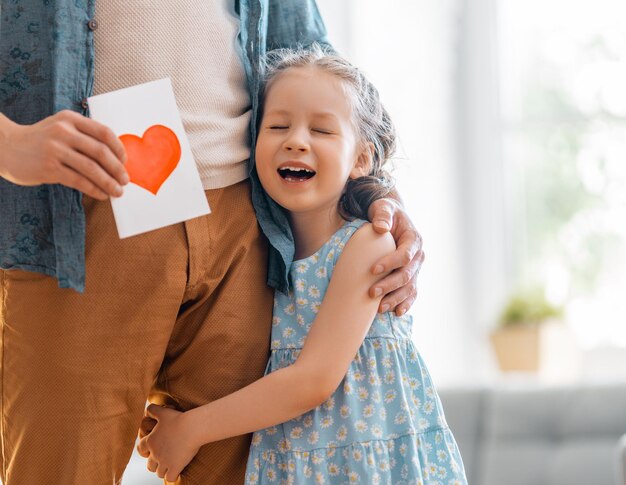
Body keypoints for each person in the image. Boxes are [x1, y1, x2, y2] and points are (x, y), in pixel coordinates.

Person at [0, 2, 424, 484]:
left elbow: (314, 58)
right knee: (59, 469)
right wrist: (8, 143)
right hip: (81, 210)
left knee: (241, 468)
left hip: (250, 223)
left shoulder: (353, 242)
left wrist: (377, 193)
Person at [137, 45, 466, 485]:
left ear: (361, 159)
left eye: (323, 130)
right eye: (278, 125)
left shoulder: (368, 242)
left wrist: (191, 429)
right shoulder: (265, 255)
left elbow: (313, 380)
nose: (296, 140)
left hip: (367, 465)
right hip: (297, 462)